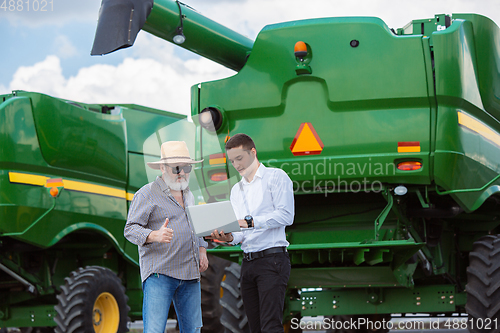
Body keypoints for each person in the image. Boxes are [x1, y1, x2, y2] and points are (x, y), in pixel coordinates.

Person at [210, 133, 294, 333]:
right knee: (254, 329)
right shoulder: (236, 190)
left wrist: (249, 222)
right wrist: (229, 237)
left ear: (253, 152)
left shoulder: (276, 177)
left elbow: (286, 215)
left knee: (271, 326)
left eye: (239, 158)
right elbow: (240, 232)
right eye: (232, 161)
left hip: (272, 261)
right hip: (247, 264)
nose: (236, 165)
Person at [124, 141, 209, 333]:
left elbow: (196, 226)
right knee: (154, 331)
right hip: (160, 274)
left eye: (186, 167)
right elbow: (130, 229)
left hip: (190, 274)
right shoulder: (146, 194)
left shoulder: (189, 194)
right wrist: (154, 235)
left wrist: (202, 249)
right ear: (162, 168)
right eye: (176, 168)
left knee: (193, 331)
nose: (182, 172)